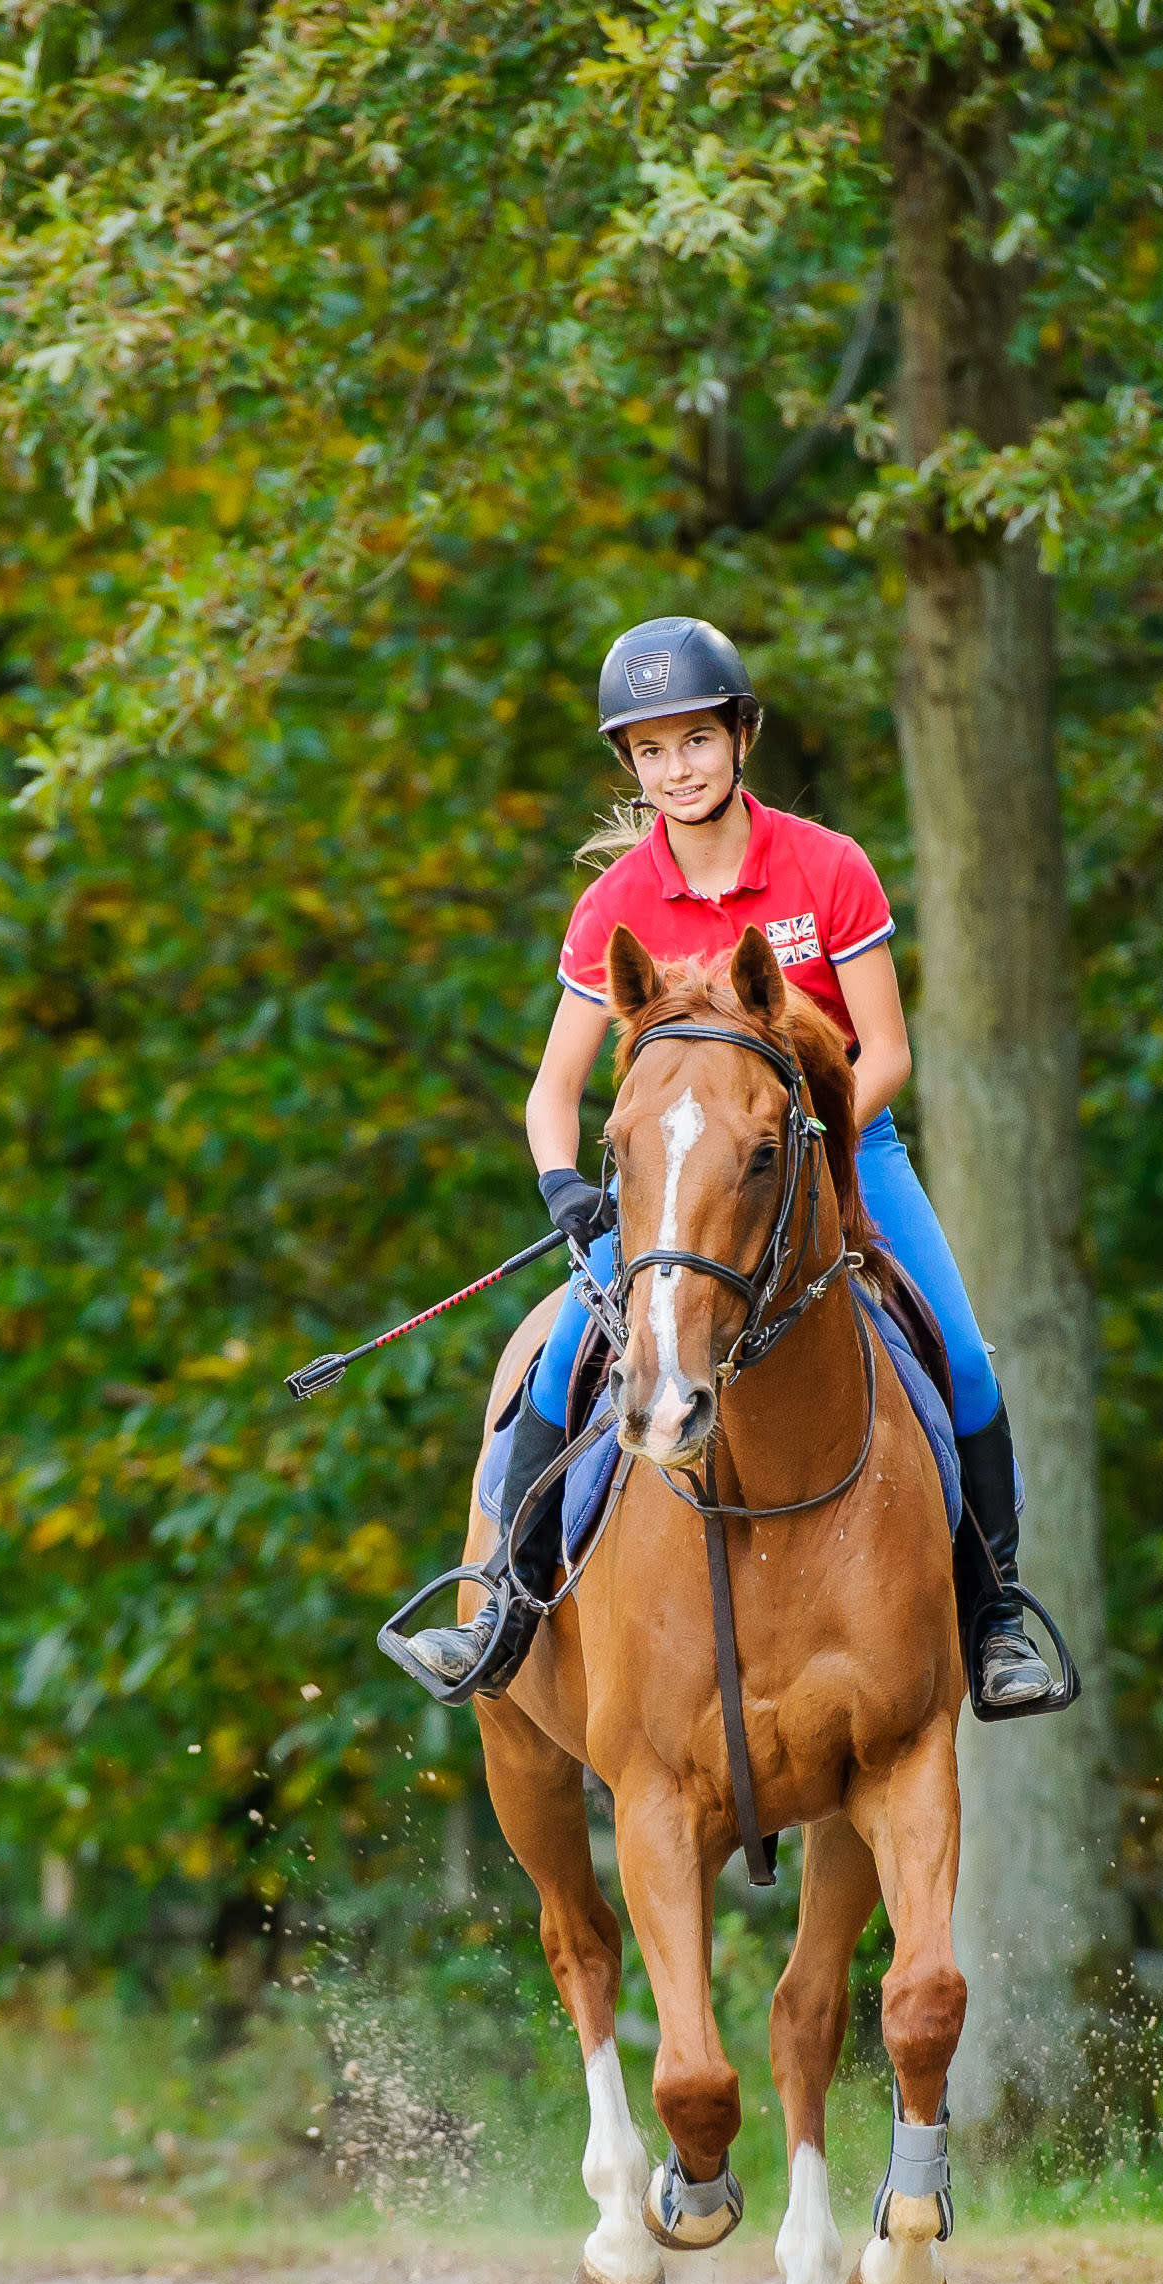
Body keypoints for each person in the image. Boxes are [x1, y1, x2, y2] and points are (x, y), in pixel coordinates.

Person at [379, 615, 1075, 1719]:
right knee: (557, 1365)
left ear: (739, 736)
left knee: (967, 1364)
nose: (675, 769)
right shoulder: (615, 905)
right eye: (649, 752)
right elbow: (552, 1093)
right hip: (668, 1174)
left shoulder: (824, 867)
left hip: (838, 1146)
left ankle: (991, 1622)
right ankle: (503, 1607)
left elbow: (884, 1049)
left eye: (693, 741)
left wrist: (808, 1136)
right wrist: (564, 1181)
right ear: (629, 764)